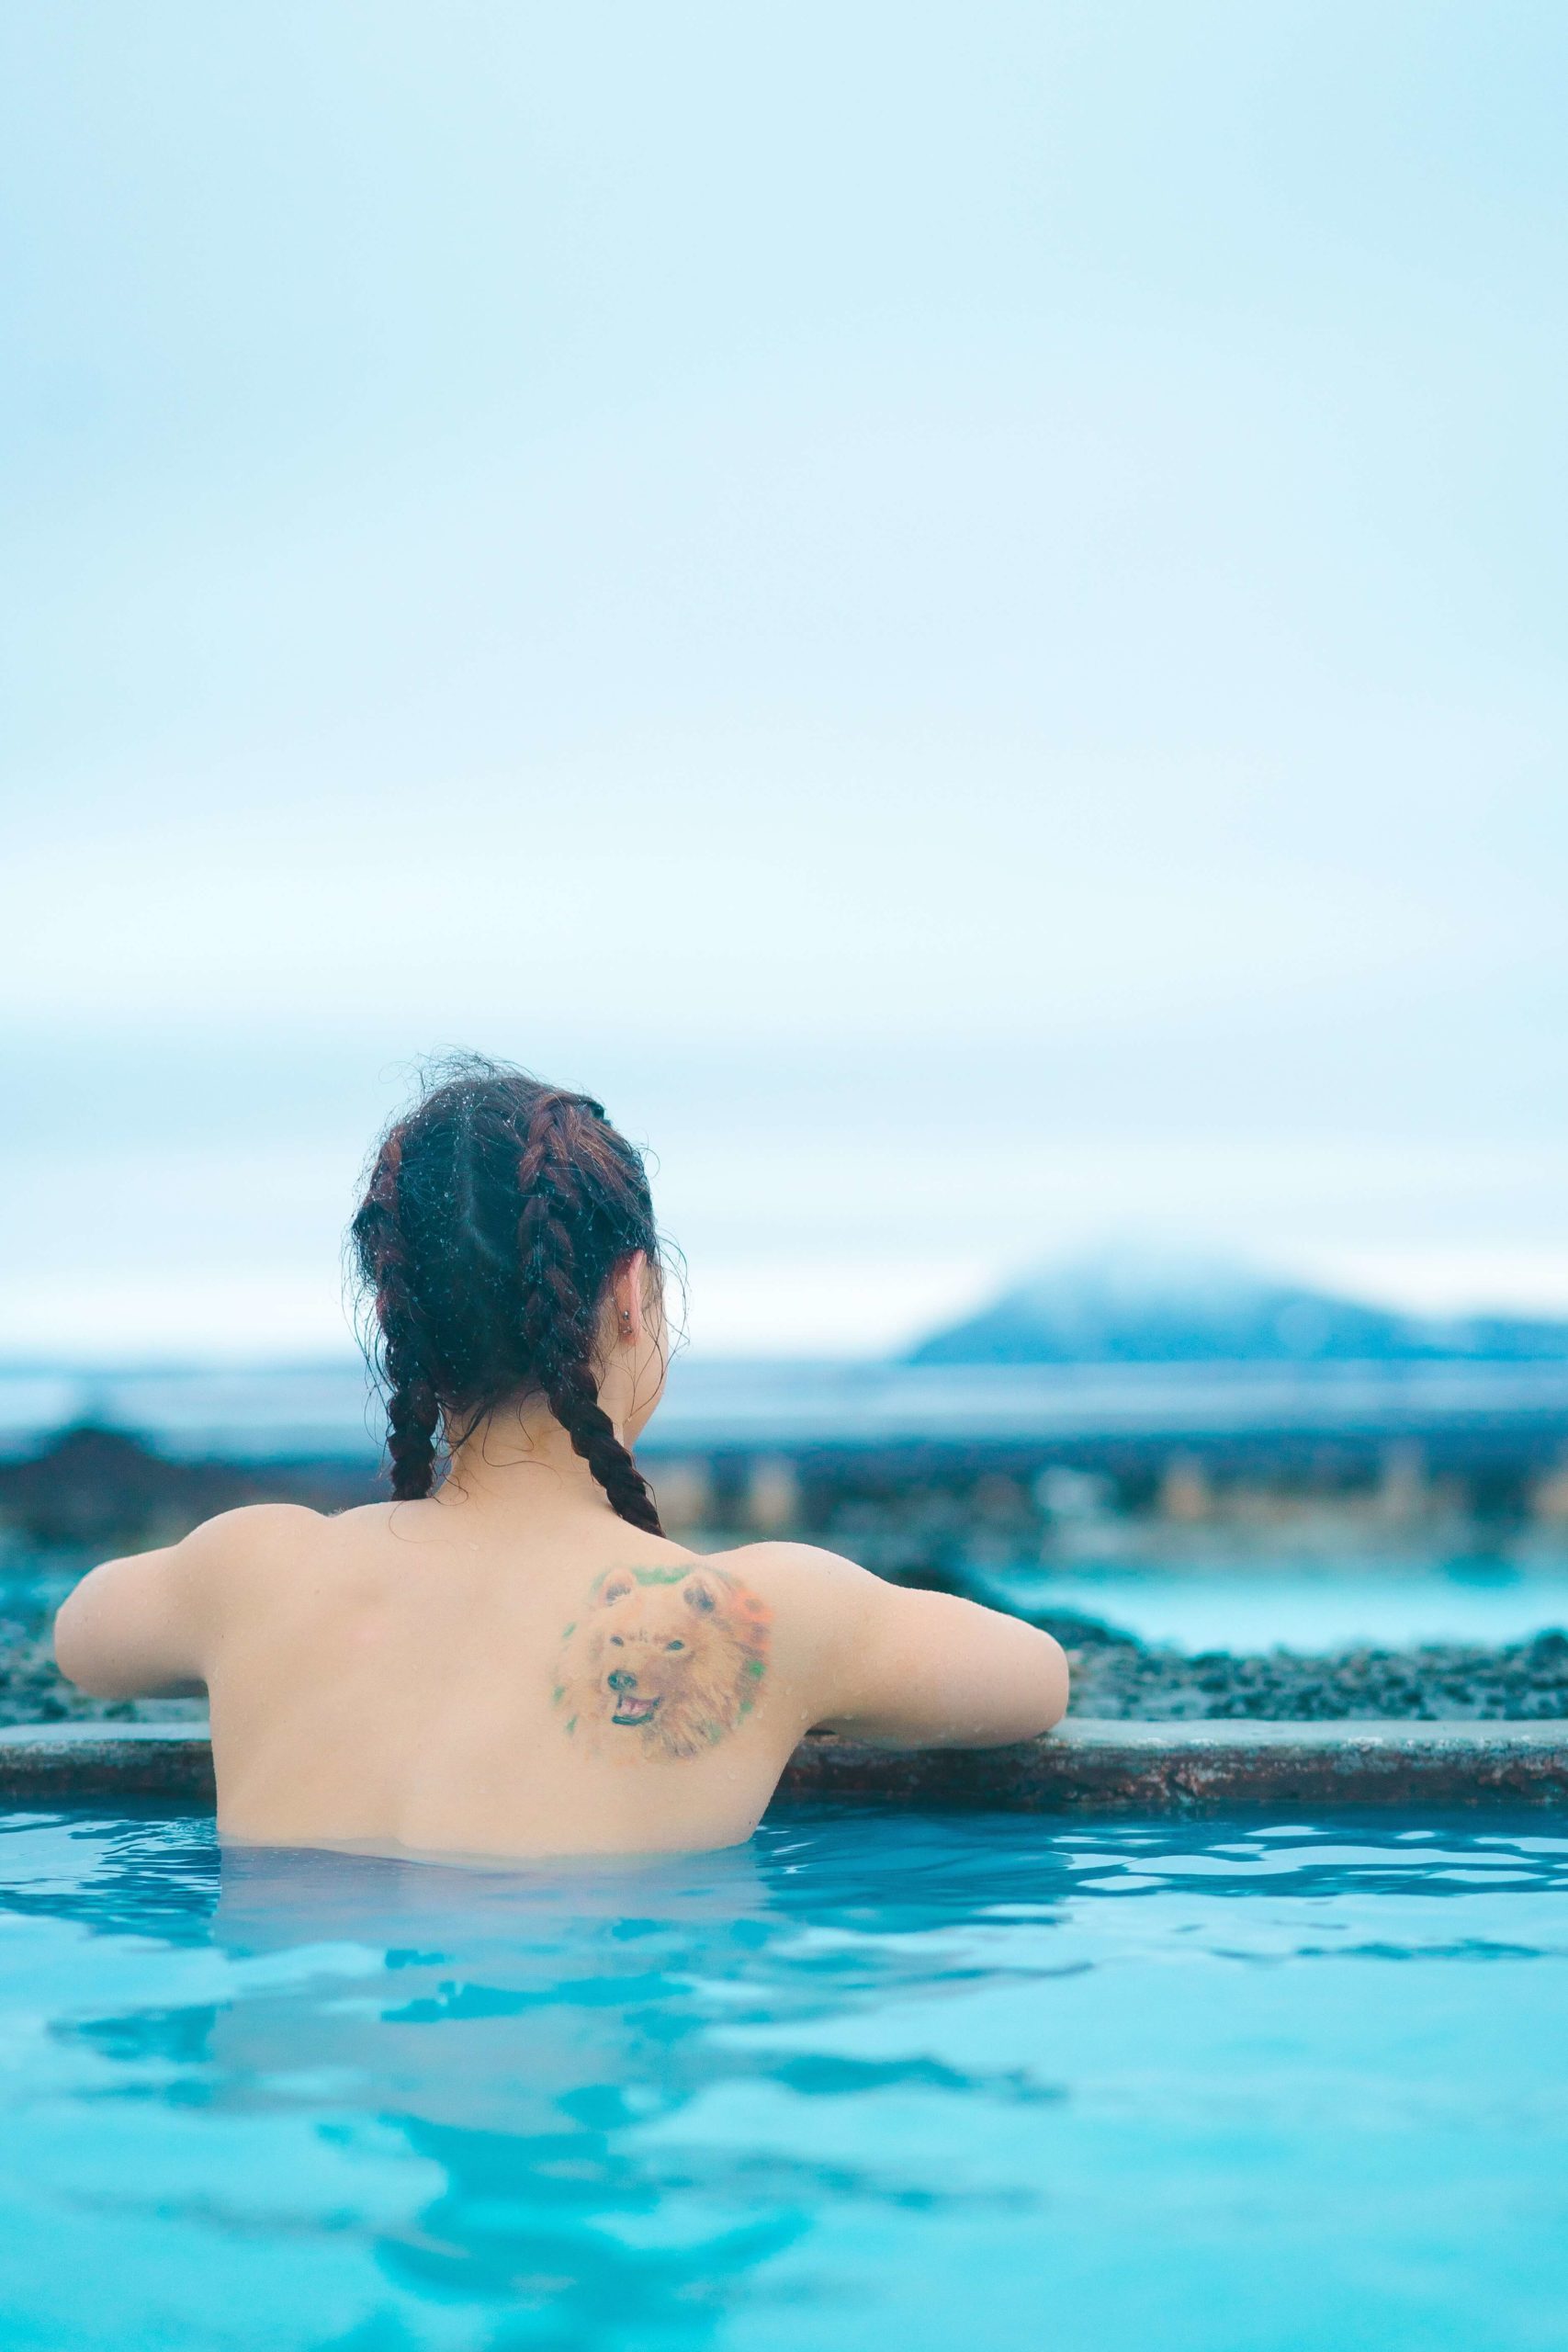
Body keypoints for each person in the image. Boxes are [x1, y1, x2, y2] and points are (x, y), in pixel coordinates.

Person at [54, 1058, 1068, 1860]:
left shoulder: (251, 1573)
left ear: (395, 1318)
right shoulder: (768, 1618)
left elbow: (83, 1641)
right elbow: (1036, 1680)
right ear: (631, 1296)